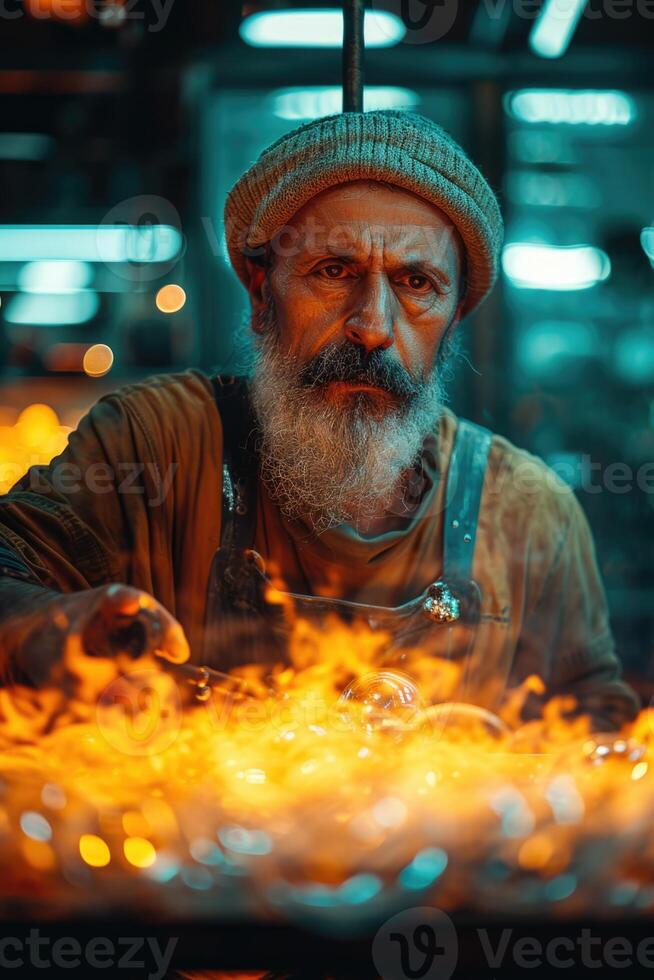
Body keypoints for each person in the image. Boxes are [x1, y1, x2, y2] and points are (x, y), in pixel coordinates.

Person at [0, 111, 639, 728]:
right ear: (259, 293)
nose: (372, 327)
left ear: (454, 322)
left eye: (417, 284)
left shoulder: (529, 511)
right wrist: (49, 629)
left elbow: (594, 737)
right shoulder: (153, 443)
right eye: (334, 272)